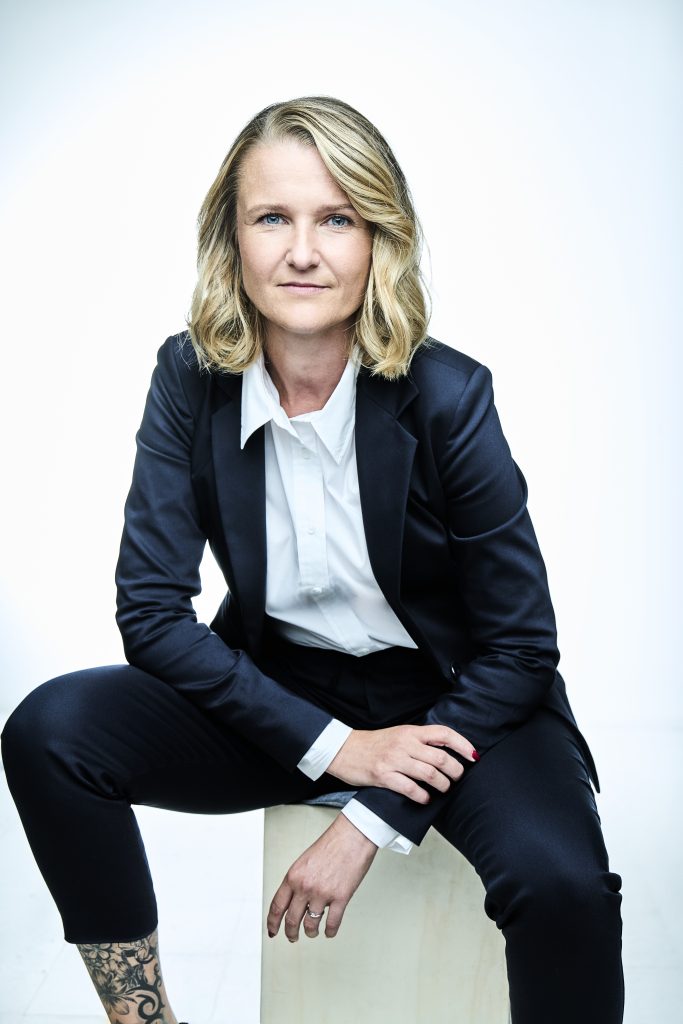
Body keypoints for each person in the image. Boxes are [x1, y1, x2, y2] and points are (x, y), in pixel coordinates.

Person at [1, 95, 624, 1024]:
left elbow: (522, 647)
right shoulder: (188, 378)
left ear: (379, 240)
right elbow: (151, 614)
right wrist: (339, 749)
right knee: (51, 732)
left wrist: (368, 816)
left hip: (457, 702)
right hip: (282, 694)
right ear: (232, 239)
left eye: (336, 219)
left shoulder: (448, 396)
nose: (302, 251)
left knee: (563, 885)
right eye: (271, 218)